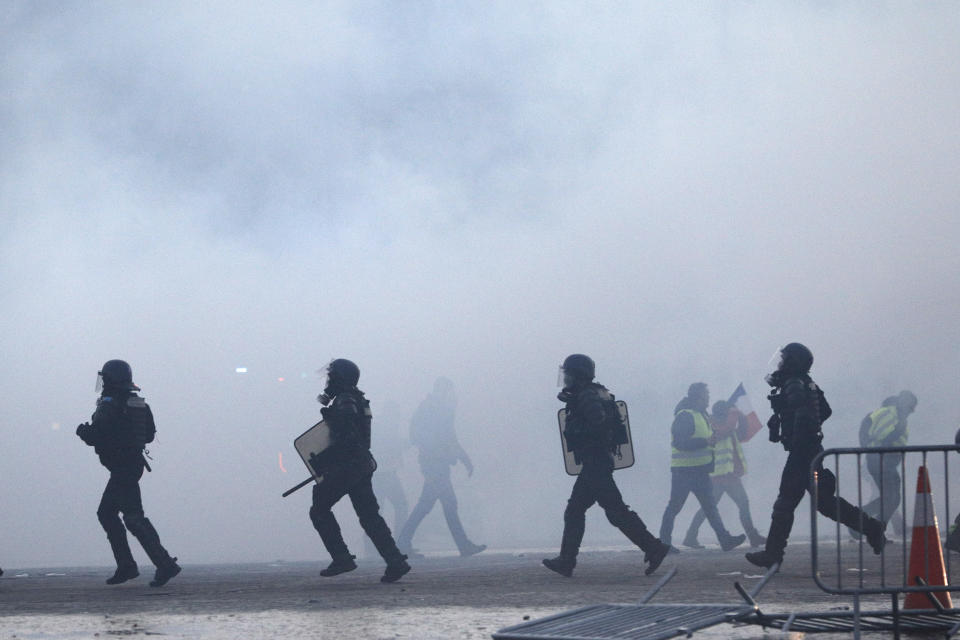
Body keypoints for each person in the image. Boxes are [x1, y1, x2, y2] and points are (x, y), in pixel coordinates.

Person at [746, 343, 887, 568]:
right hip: (811, 449)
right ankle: (872, 527)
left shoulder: (794, 383)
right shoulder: (807, 382)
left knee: (785, 503)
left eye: (784, 359)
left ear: (793, 362)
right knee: (825, 504)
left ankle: (773, 554)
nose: (779, 364)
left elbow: (802, 411)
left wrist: (795, 434)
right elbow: (825, 410)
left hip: (802, 452)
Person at [542, 354, 669, 577]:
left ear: (578, 374)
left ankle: (653, 547)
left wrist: (575, 432)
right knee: (589, 511)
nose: (565, 378)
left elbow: (598, 424)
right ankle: (567, 561)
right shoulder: (594, 392)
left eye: (569, 374)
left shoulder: (587, 395)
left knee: (608, 512)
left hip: (596, 462)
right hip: (598, 461)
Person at [76, 360, 180, 587]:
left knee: (132, 518)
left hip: (123, 468)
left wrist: (84, 432)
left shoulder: (110, 404)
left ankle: (160, 564)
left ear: (111, 379)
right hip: (131, 465)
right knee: (109, 514)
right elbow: (149, 435)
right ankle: (129, 565)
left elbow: (100, 435)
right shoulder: (136, 403)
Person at [309, 359, 411, 583]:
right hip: (360, 466)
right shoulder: (356, 398)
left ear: (340, 378)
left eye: (331, 376)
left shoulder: (345, 401)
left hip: (347, 467)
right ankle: (395, 561)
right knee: (369, 516)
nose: (328, 381)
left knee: (319, 509)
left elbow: (347, 438)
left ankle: (342, 557)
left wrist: (324, 458)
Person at [396, 377, 485, 557]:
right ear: (441, 390)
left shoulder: (438, 409)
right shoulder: (431, 408)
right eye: (448, 390)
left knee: (432, 504)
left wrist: (463, 458)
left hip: (437, 463)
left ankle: (404, 542)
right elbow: (427, 436)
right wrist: (451, 454)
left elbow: (450, 437)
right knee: (442, 504)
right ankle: (462, 545)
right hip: (434, 463)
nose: (450, 394)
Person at [658, 383, 746, 552]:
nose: (708, 398)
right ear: (698, 397)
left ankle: (725, 539)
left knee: (710, 507)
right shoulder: (685, 416)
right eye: (706, 395)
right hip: (683, 472)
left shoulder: (702, 415)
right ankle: (664, 544)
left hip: (700, 470)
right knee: (675, 507)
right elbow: (679, 443)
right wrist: (705, 442)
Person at [683, 400, 765, 549]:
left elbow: (742, 432)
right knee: (729, 505)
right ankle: (753, 537)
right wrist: (734, 414)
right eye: (728, 412)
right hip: (720, 476)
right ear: (724, 413)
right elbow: (725, 431)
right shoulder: (712, 425)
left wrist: (739, 415)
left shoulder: (726, 425)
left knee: (710, 508)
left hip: (727, 474)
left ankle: (690, 536)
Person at [856, 391, 917, 534]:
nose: (912, 411)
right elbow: (882, 437)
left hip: (883, 461)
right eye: (911, 407)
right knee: (892, 498)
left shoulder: (893, 415)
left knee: (892, 498)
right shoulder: (890, 414)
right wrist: (898, 429)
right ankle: (871, 527)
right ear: (904, 403)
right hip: (882, 460)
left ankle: (860, 521)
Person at [363, 401, 410, 560]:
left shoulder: (379, 425)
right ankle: (399, 542)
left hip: (377, 472)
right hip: (385, 473)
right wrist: (403, 445)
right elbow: (389, 448)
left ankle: (371, 546)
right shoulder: (388, 427)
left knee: (375, 510)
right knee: (400, 506)